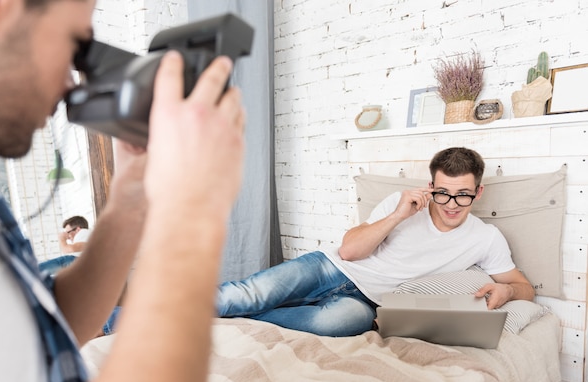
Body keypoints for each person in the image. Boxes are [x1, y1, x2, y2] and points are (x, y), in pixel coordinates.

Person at [0, 1, 245, 382]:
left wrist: (131, 198)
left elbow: (40, 334)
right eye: (74, 44)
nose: (69, 84)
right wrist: (191, 212)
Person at [218, 147, 536, 337]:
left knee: (335, 323)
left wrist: (507, 290)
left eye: (463, 195)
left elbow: (525, 288)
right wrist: (398, 215)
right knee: (250, 293)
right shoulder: (400, 204)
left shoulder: (485, 237)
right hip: (331, 269)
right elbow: (349, 251)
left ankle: (242, 317)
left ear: (478, 192)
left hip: (369, 303)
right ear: (431, 186)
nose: (452, 204)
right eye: (443, 193)